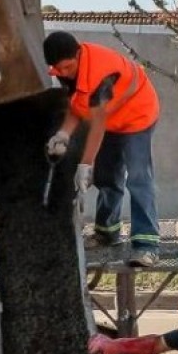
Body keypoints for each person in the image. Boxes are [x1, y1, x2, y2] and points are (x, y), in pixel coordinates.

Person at [43, 31, 161, 268]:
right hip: (113, 118)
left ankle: (147, 246)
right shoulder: (67, 68)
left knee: (138, 178)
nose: (64, 73)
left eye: (67, 67)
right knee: (108, 176)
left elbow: (97, 124)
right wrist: (63, 134)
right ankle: (107, 233)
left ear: (78, 54)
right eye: (59, 69)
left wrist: (85, 165)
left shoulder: (100, 72)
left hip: (138, 115)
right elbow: (77, 105)